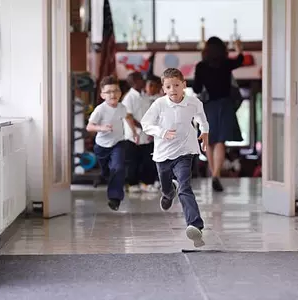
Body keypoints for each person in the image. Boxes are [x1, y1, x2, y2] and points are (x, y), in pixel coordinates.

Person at [141, 68, 209, 247]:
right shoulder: (159, 104)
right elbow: (145, 124)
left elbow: (201, 118)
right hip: (163, 154)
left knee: (185, 187)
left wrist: (205, 132)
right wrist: (161, 132)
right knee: (166, 185)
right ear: (164, 89)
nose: (173, 89)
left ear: (184, 85)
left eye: (177, 85)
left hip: (185, 152)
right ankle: (167, 192)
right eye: (169, 86)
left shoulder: (193, 102)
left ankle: (195, 225)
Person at [193, 37, 245, 192]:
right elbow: (239, 60)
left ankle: (212, 172)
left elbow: (196, 88)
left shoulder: (201, 66)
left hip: (208, 106)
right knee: (221, 141)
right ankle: (216, 174)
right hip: (225, 105)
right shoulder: (226, 64)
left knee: (209, 142)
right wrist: (239, 49)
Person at [87, 76, 139, 211]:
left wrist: (134, 132)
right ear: (102, 95)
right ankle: (104, 175)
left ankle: (114, 198)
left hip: (118, 143)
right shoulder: (100, 109)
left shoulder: (122, 107)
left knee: (118, 167)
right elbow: (89, 127)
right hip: (101, 146)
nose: (113, 94)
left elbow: (127, 117)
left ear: (120, 93)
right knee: (107, 171)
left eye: (116, 91)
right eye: (109, 92)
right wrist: (102, 128)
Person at [122, 72, 158, 193]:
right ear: (134, 82)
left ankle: (147, 183)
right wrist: (141, 128)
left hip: (146, 135)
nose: (143, 81)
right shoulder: (129, 97)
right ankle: (132, 184)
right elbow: (129, 116)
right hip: (133, 135)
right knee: (133, 161)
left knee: (147, 160)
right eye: (141, 79)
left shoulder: (144, 96)